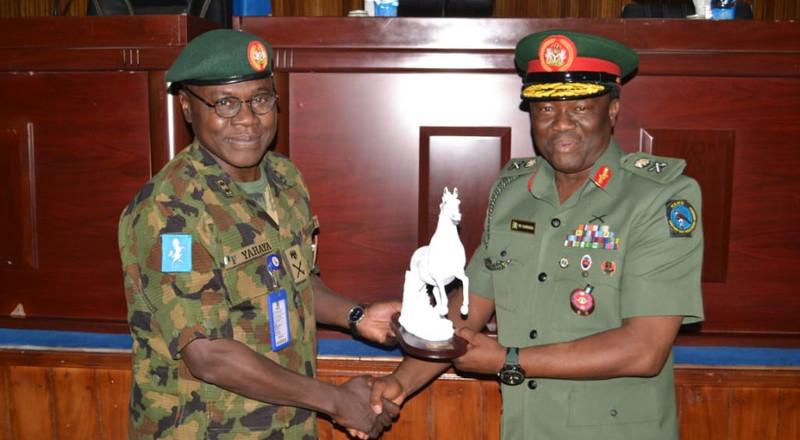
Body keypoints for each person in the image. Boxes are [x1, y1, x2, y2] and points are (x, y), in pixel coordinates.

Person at [370, 30, 704, 439]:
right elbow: (468, 313)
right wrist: (398, 383)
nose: (561, 124)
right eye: (545, 109)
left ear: (613, 109)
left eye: (581, 107)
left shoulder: (660, 197)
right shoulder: (512, 193)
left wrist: (509, 360)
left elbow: (645, 349)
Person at [118, 29, 401, 439]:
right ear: (186, 106)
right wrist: (337, 402)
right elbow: (209, 356)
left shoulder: (284, 179)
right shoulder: (170, 211)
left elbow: (294, 281)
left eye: (261, 99)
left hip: (287, 426)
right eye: (225, 103)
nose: (248, 119)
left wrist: (357, 317)